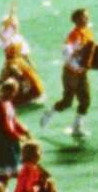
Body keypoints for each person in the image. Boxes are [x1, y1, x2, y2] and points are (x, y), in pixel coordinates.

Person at [40, 9, 94, 141]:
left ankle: (76, 127)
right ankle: (49, 113)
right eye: (84, 17)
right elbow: (67, 55)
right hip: (71, 73)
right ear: (76, 20)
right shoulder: (73, 35)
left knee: (85, 100)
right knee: (67, 102)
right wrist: (77, 65)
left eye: (87, 17)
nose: (86, 19)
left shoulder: (87, 32)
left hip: (81, 72)